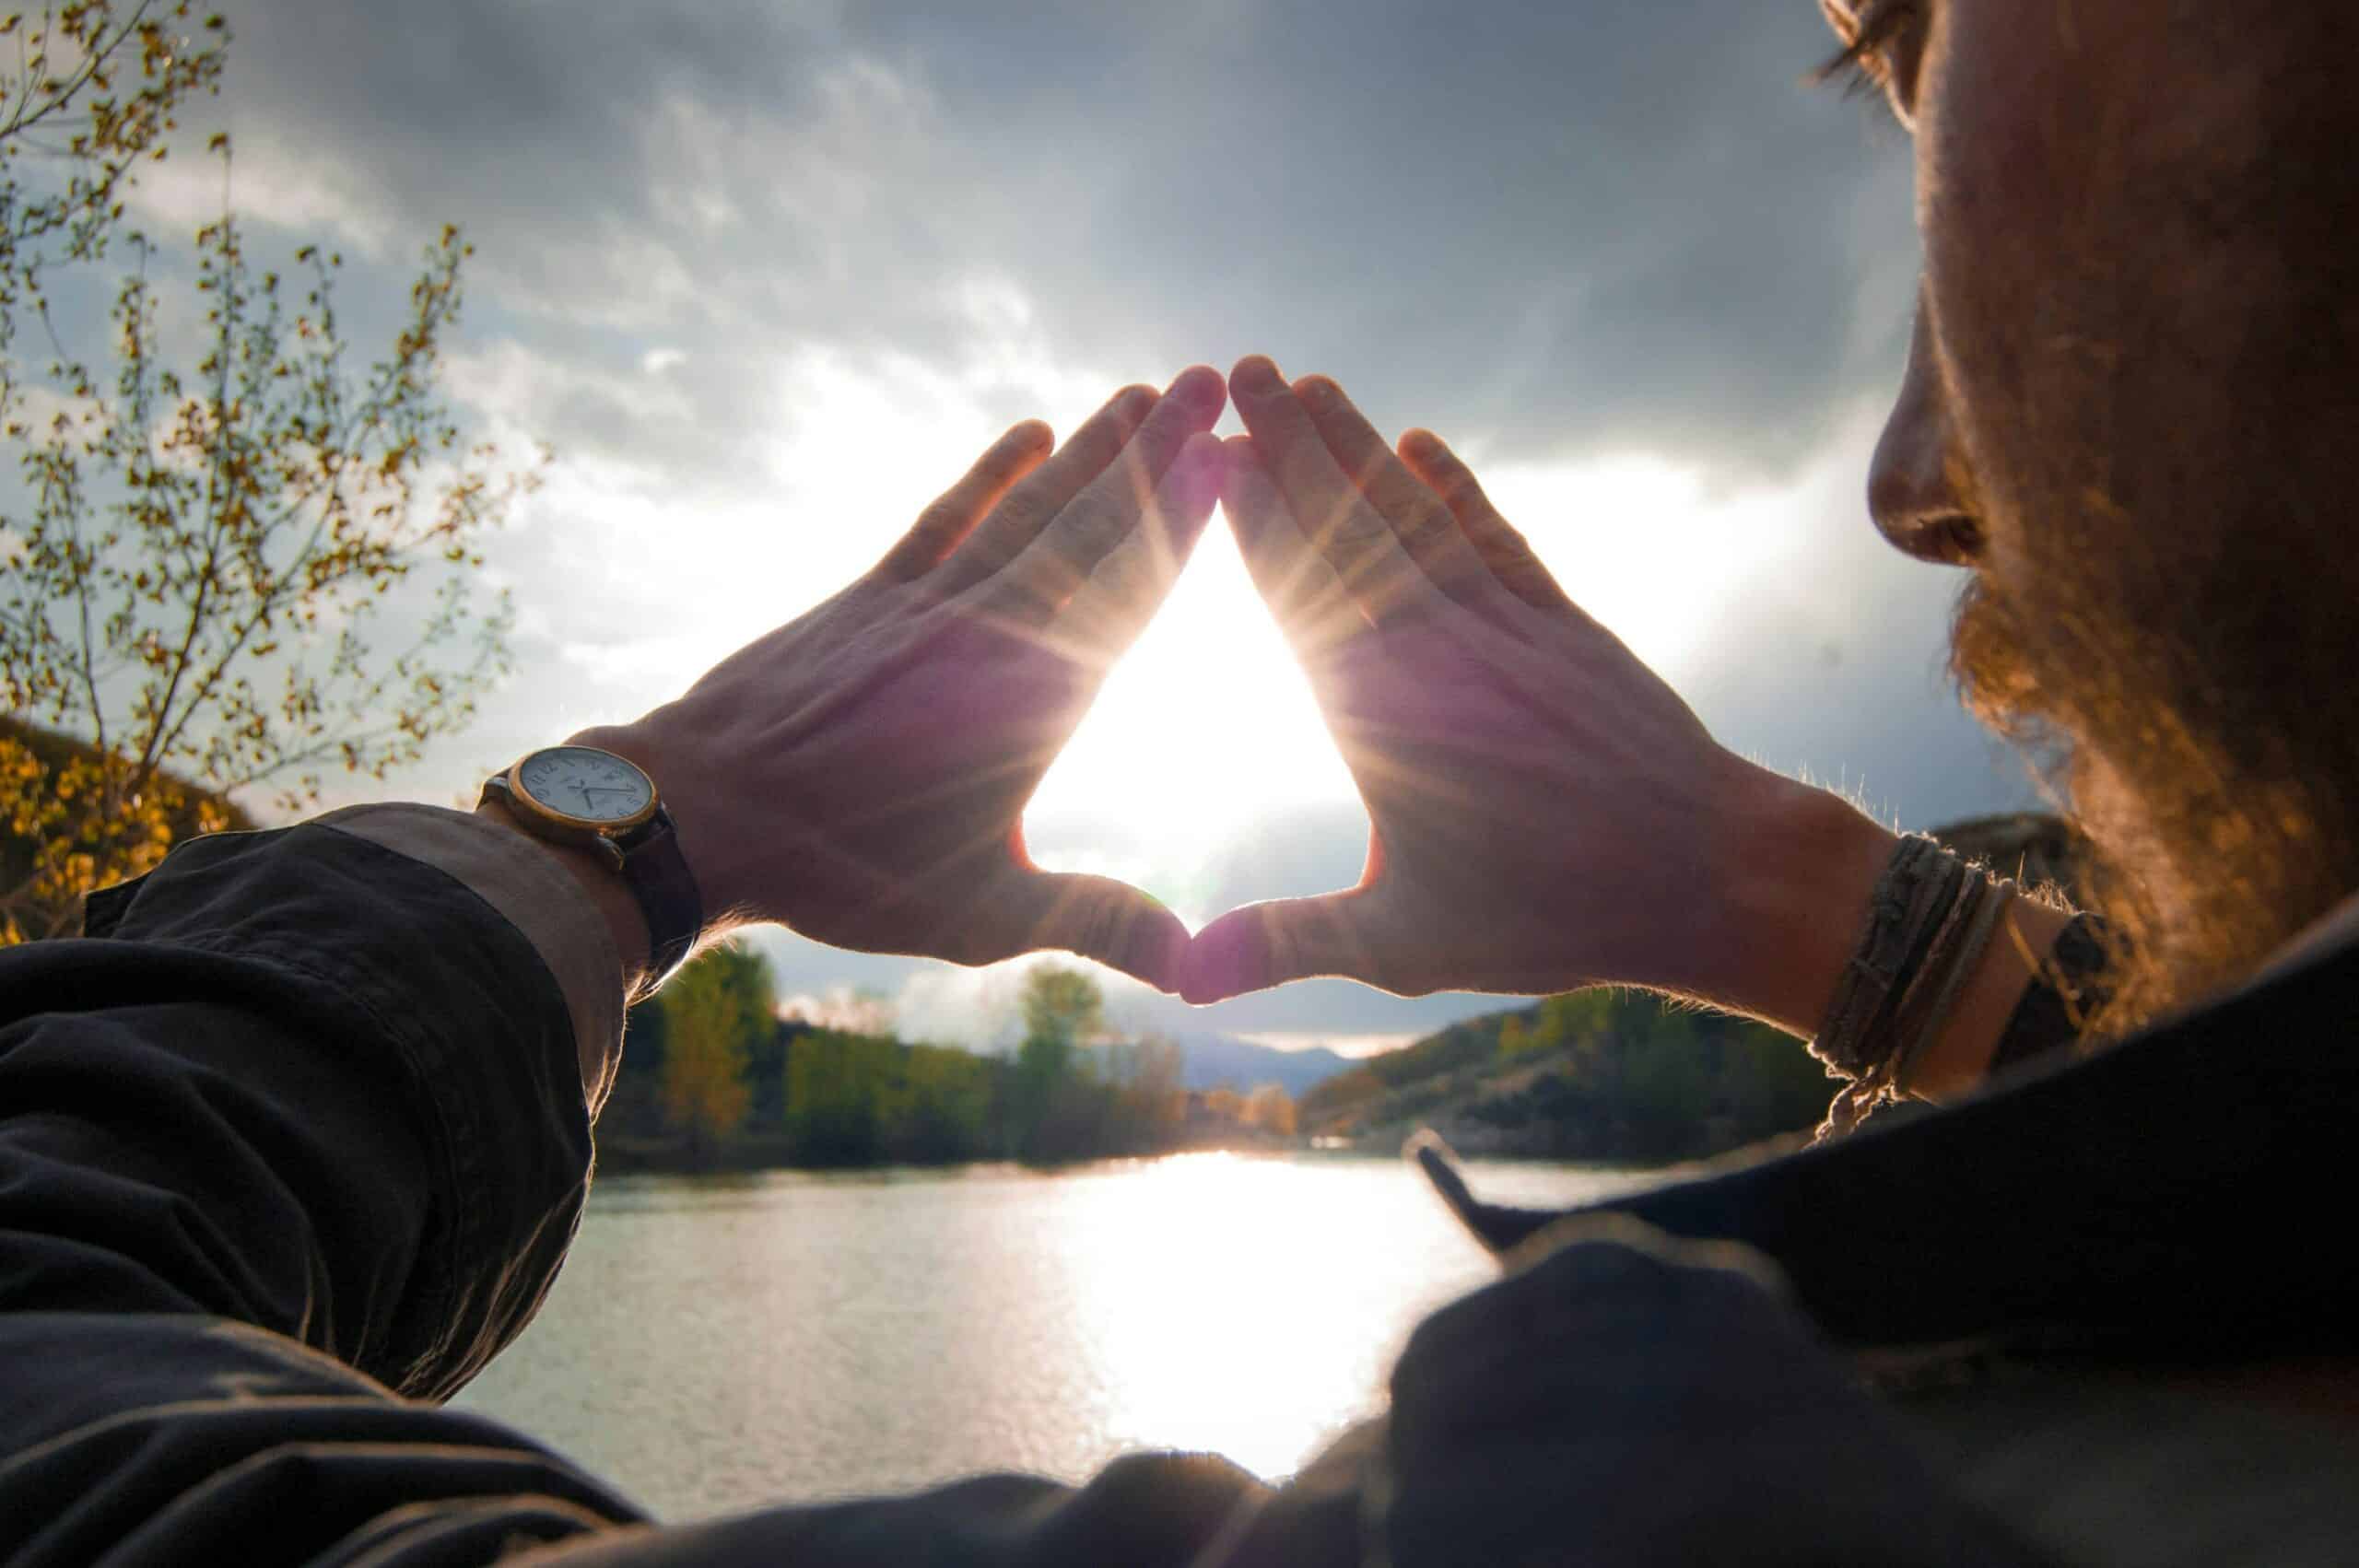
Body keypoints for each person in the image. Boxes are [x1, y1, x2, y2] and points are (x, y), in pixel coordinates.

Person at [5, 0, 2357, 1561]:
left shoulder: (1655, 1506)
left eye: (1922, 41)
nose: (1914, 470)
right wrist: (1835, 913)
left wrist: (637, 831)